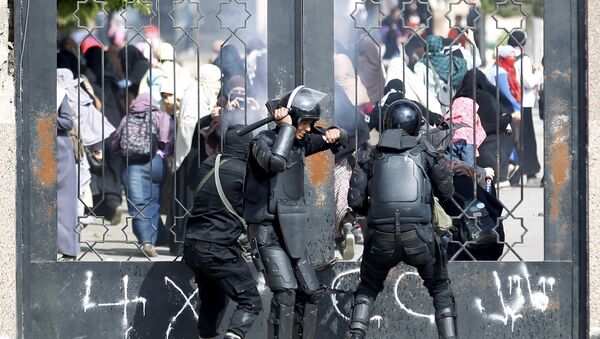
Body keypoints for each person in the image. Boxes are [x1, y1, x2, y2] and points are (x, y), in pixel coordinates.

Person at [346, 99, 456, 339]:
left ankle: (356, 335)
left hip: (380, 237)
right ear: (417, 126)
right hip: (420, 236)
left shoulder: (370, 157)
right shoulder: (426, 153)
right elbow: (447, 192)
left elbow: (354, 202)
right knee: (440, 289)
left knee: (367, 287)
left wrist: (375, 211)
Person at [244, 86, 348, 339]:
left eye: (312, 124)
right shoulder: (262, 141)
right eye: (306, 123)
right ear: (291, 118)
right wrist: (289, 127)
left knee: (312, 291)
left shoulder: (302, 141)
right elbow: (275, 163)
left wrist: (337, 132)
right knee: (286, 293)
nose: (309, 129)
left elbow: (342, 139)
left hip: (292, 231)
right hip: (267, 230)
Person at [183, 125, 262, 339]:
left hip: (192, 245)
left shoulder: (208, 163)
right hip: (218, 248)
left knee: (212, 301)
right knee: (251, 301)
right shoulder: (243, 171)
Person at [112, 93, 173, 257]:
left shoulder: (127, 118)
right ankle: (160, 237)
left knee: (139, 204)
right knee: (152, 201)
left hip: (132, 165)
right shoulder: (162, 116)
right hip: (156, 163)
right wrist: (162, 154)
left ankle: (147, 241)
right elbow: (167, 140)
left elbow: (115, 141)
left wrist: (122, 152)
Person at [508, 31, 543, 185]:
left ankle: (513, 173)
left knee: (514, 139)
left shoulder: (507, 56)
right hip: (525, 103)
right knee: (527, 139)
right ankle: (530, 172)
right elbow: (529, 82)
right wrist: (540, 73)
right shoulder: (524, 59)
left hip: (510, 103)